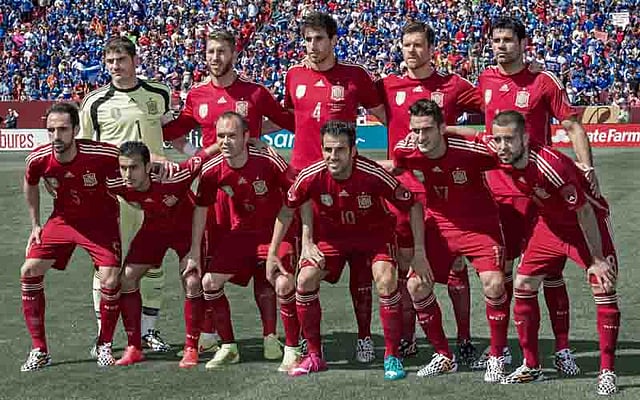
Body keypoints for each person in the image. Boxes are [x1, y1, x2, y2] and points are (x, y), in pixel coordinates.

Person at [163, 29, 295, 359]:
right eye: (210, 51)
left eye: (221, 51)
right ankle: (209, 332)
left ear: (234, 54)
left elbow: (286, 119)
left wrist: (255, 135)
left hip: (253, 187)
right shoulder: (197, 95)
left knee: (260, 261)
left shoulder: (254, 92)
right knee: (210, 263)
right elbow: (174, 131)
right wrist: (197, 151)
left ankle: (270, 336)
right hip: (216, 190)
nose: (215, 57)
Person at [474, 17, 594, 373]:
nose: (500, 46)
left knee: (550, 274)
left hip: (541, 195)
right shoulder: (485, 80)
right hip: (497, 193)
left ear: (524, 43)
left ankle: (562, 350)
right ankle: (506, 349)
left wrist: (587, 170)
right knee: (503, 273)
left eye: (508, 39)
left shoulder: (543, 81)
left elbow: (572, 124)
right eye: (495, 40)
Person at [269, 120, 427, 380]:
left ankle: (391, 356)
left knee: (386, 280)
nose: (333, 156)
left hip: (374, 236)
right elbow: (287, 211)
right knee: (305, 279)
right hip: (332, 239)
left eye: (340, 149)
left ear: (353, 150)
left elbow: (413, 205)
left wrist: (419, 252)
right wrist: (275, 252)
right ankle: (315, 356)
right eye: (328, 149)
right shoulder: (310, 175)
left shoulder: (372, 173)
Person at [489, 110, 619, 396]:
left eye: (508, 140)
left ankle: (607, 371)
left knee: (603, 285)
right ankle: (531, 365)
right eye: (497, 139)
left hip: (587, 226)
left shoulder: (550, 165)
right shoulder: (501, 152)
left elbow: (584, 210)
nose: (501, 146)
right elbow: (470, 138)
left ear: (525, 138)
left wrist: (597, 259)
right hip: (549, 226)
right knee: (523, 284)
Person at [376, 21, 483, 361]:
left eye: (418, 44)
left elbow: (493, 105)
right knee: (407, 265)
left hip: (445, 194)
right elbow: (350, 96)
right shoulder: (387, 85)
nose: (411, 50)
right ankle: (408, 338)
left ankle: (464, 338)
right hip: (401, 192)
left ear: (431, 48)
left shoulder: (452, 86)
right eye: (406, 44)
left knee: (454, 265)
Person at [284, 11, 386, 363]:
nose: (313, 46)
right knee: (304, 264)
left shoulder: (355, 76)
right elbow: (286, 117)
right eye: (307, 39)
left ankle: (364, 337)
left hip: (347, 181)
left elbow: (388, 118)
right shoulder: (293, 75)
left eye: (319, 39)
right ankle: (303, 342)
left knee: (361, 267)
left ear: (333, 40)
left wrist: (396, 159)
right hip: (305, 187)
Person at [394, 100, 508, 383]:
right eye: (415, 130)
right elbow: (398, 167)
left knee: (494, 283)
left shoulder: (469, 150)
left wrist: (459, 131)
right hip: (441, 225)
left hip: (480, 225)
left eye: (427, 130)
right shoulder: (406, 150)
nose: (420, 137)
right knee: (415, 285)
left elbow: (505, 149)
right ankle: (444, 356)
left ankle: (496, 355)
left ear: (442, 128)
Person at [184, 112, 300, 372]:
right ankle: (228, 347)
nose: (225, 141)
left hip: (274, 233)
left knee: (282, 283)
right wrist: (194, 251)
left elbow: (295, 197)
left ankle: (292, 349)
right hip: (242, 233)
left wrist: (298, 241)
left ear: (247, 137)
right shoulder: (212, 169)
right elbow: (201, 208)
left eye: (232, 135)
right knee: (209, 283)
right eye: (221, 136)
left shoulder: (268, 160)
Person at [79, 36, 174, 354]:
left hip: (153, 194)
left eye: (121, 59)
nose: (115, 67)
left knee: (153, 263)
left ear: (134, 60)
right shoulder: (94, 103)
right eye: (110, 61)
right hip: (112, 196)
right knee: (107, 265)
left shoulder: (159, 94)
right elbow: (84, 149)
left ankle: (148, 331)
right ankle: (101, 336)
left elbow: (169, 130)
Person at [20, 102, 122, 371]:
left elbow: (131, 159)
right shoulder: (38, 159)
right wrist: (35, 225)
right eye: (51, 129)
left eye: (63, 129)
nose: (56, 136)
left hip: (101, 222)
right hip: (63, 221)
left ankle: (104, 345)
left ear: (76, 130)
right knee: (29, 270)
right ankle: (40, 350)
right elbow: (29, 183)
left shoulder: (99, 153)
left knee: (111, 277)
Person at [106, 142, 205, 368]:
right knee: (126, 279)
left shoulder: (175, 176)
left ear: (148, 166)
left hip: (185, 231)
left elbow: (203, 156)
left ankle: (191, 347)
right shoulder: (117, 183)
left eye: (134, 168)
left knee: (192, 281)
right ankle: (134, 347)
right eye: (123, 168)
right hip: (153, 230)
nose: (127, 174)